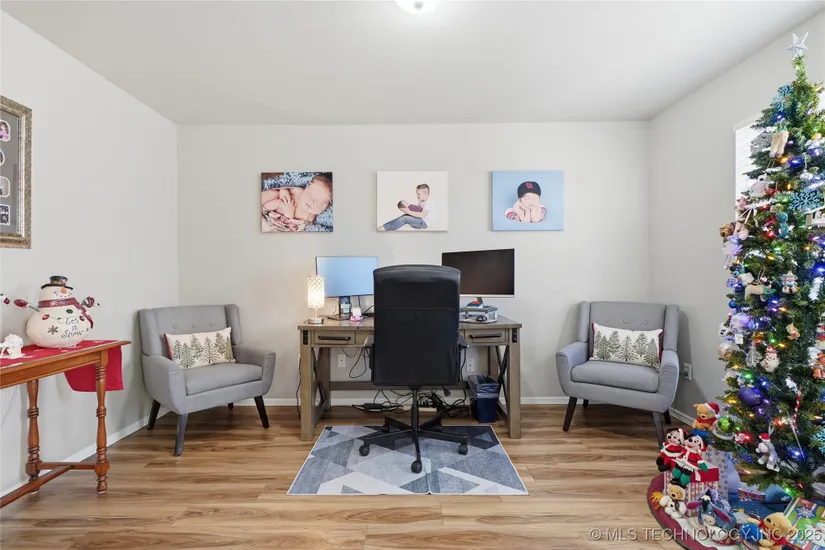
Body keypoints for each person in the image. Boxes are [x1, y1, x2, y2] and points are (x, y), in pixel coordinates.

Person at [261, 173, 333, 232]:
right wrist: (284, 193)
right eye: (310, 194)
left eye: (319, 203)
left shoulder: (309, 217)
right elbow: (284, 189)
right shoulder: (299, 191)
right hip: (267, 207)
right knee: (273, 193)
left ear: (327, 207)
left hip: (273, 222)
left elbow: (292, 228)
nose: (312, 201)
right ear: (307, 187)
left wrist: (289, 213)